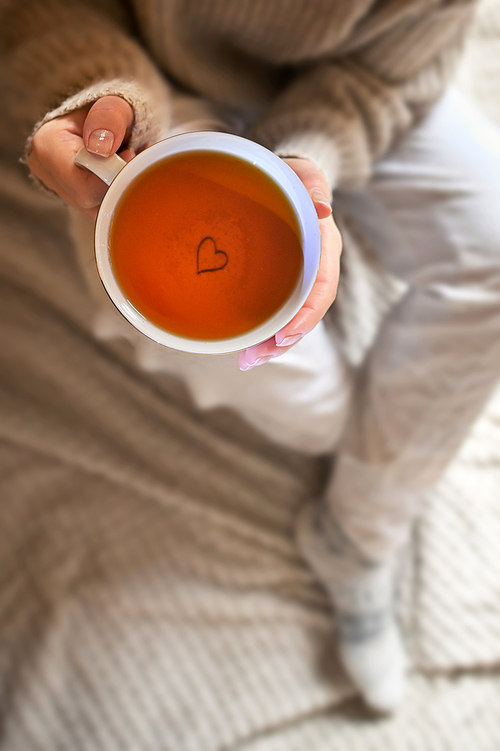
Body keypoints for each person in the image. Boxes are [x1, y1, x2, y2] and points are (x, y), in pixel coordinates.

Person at [2, 0, 499, 715]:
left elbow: (386, 73)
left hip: (342, 84)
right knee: (270, 376)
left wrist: (305, 168)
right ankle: (341, 442)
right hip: (149, 84)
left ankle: (356, 535)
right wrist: (98, 103)